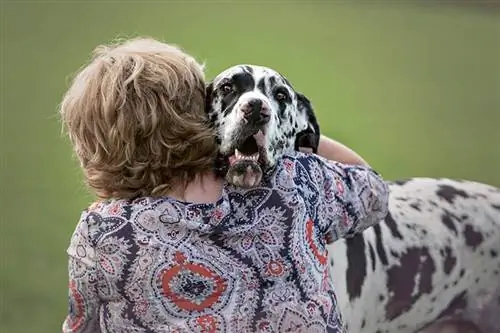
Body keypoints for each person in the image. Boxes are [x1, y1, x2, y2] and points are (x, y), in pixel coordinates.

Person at [59, 37, 389, 333]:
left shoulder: (101, 231)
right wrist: (295, 137)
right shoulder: (296, 182)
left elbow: (81, 326)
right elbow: (372, 191)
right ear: (193, 114)